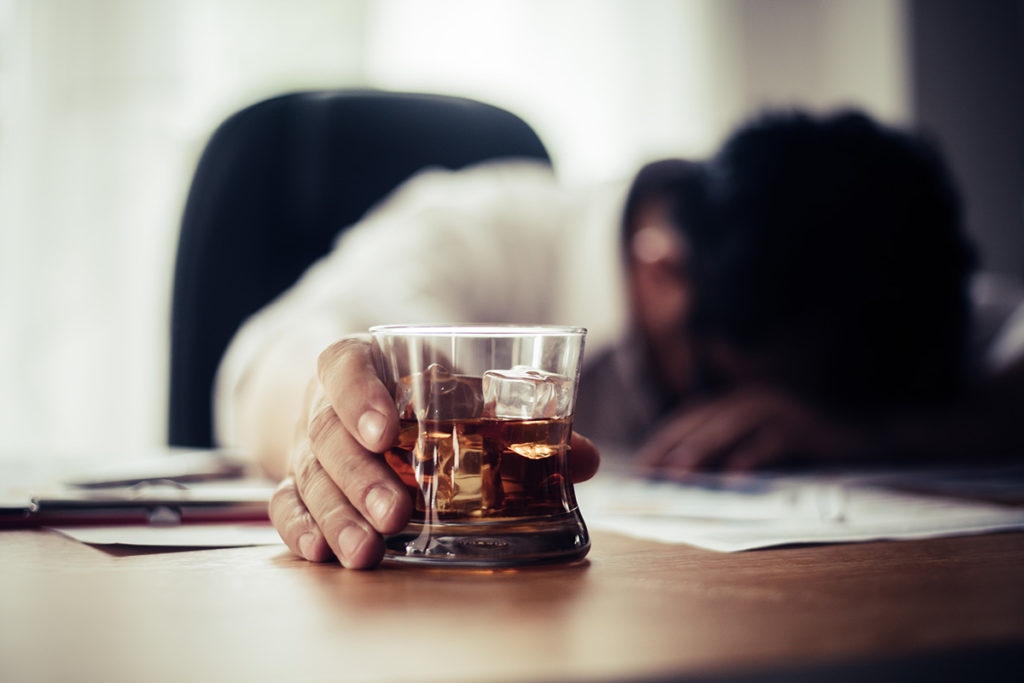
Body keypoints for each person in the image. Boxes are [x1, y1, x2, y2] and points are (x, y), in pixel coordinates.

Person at [214, 108, 1024, 568]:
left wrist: (874, 428)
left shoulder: (852, 291)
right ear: (664, 267)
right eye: (714, 380)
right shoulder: (489, 231)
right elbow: (265, 357)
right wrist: (328, 414)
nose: (745, 425)